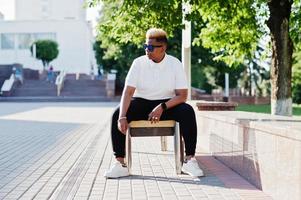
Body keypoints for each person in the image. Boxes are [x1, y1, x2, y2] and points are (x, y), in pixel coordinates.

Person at [104, 28, 204, 178]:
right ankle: (120, 164)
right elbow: (128, 92)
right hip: (142, 102)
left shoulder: (174, 63)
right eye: (145, 46)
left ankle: (190, 160)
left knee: (187, 111)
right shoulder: (138, 63)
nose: (147, 50)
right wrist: (122, 116)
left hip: (167, 105)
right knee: (117, 113)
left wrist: (162, 107)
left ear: (162, 48)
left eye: (150, 47)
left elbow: (182, 96)